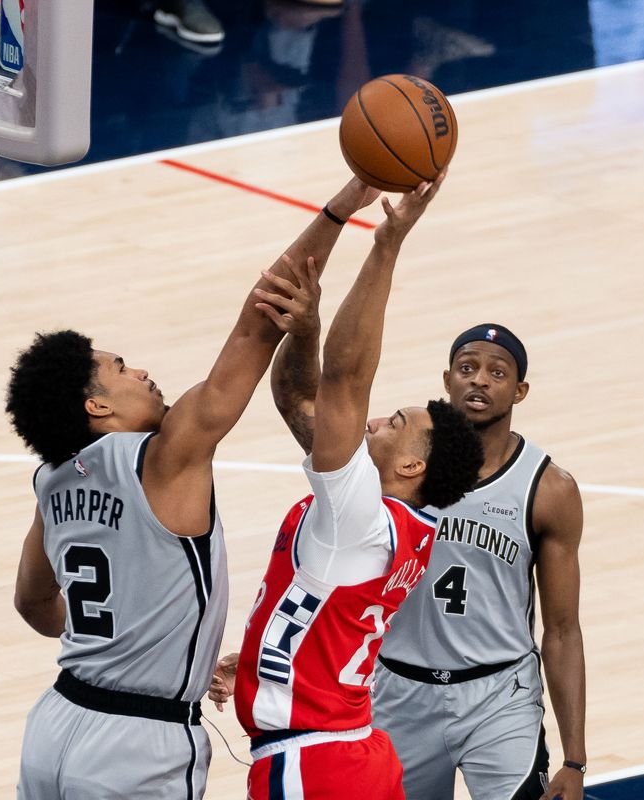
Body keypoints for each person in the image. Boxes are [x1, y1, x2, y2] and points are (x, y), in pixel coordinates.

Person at [5, 175, 380, 800]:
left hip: (55, 726)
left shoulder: (51, 483)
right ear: (97, 404)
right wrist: (339, 210)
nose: (143, 371)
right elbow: (256, 326)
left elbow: (34, 605)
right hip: (138, 748)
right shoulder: (164, 456)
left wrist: (134, 642)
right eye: (121, 368)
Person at [208, 173, 485, 799]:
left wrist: (387, 243)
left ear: (412, 467)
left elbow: (345, 377)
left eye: (398, 424)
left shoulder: (358, 513)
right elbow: (299, 398)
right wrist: (264, 663)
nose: (379, 418)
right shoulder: (388, 521)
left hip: (317, 768)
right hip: (348, 749)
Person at [370, 323, 588, 800]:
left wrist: (575, 759)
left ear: (520, 390)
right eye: (467, 368)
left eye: (497, 372)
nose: (480, 381)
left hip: (499, 696)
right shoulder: (398, 464)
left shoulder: (549, 489)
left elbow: (564, 628)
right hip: (398, 691)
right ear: (447, 380)